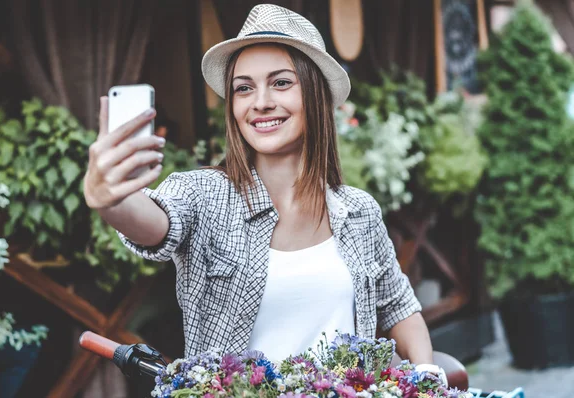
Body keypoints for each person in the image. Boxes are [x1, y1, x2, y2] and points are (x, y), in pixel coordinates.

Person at [83, 3, 438, 373]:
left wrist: (427, 375)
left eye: (281, 82)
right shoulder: (203, 194)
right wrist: (112, 199)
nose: (261, 103)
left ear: (315, 95)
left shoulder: (358, 210)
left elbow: (400, 306)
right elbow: (155, 224)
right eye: (243, 88)